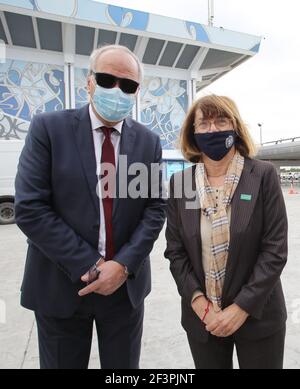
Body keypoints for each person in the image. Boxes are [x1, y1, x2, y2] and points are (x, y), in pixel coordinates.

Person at [15, 45, 166, 369]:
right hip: (61, 289)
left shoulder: (148, 142)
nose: (117, 90)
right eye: (107, 79)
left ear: (136, 91)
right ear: (88, 82)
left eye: (127, 85)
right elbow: (30, 207)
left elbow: (155, 209)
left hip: (124, 291)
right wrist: (91, 264)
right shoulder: (48, 129)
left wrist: (122, 265)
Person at [164, 94, 287, 369]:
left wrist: (240, 308)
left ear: (235, 127)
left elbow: (275, 250)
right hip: (203, 319)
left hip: (259, 317)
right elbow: (175, 251)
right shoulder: (182, 183)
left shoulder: (263, 175)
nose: (214, 130)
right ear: (193, 134)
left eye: (222, 121)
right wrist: (199, 303)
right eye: (204, 124)